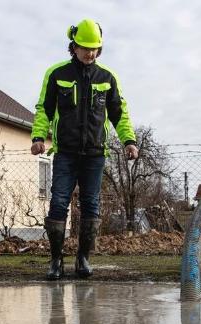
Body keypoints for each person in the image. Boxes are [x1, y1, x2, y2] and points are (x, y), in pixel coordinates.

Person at [31, 19, 139, 280]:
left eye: (95, 48)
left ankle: (83, 259)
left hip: (95, 154)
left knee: (91, 205)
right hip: (65, 152)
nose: (90, 53)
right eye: (85, 47)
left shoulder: (107, 78)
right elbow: (43, 108)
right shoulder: (57, 74)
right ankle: (56, 261)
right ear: (74, 46)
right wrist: (38, 136)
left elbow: (119, 113)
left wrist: (129, 140)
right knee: (58, 203)